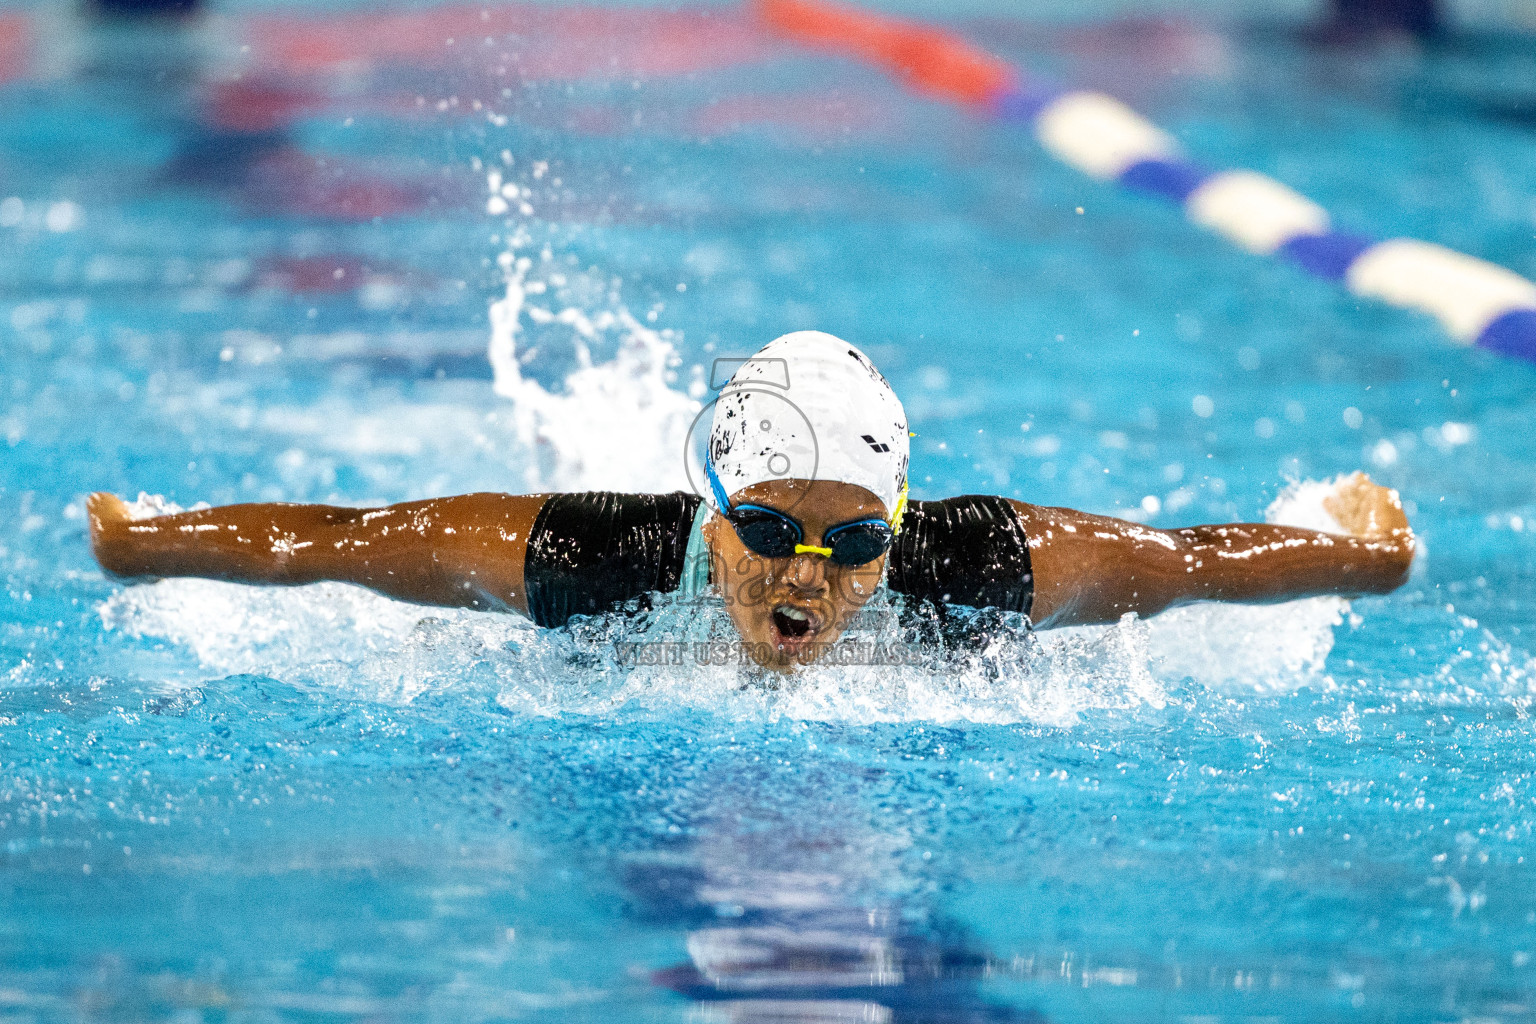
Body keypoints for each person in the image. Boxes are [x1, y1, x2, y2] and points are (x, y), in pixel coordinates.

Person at [88, 331, 1415, 671]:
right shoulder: (593, 556)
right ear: (714, 515)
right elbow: (344, 544)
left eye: (854, 547)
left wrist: (1365, 561)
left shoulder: (986, 568)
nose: (809, 578)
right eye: (774, 534)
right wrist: (143, 542)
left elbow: (1192, 564)